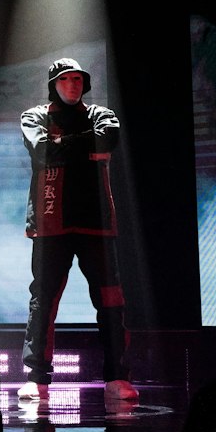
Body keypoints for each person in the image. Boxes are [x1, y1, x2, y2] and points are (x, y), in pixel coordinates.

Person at [18, 57, 136, 403]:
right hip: (51, 221)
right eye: (65, 80)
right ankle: (37, 378)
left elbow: (107, 140)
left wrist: (61, 147)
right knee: (43, 300)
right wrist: (82, 147)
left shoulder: (102, 114)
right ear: (53, 84)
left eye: (78, 80)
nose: (72, 85)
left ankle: (116, 376)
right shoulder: (34, 116)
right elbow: (41, 149)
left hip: (95, 221)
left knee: (111, 300)